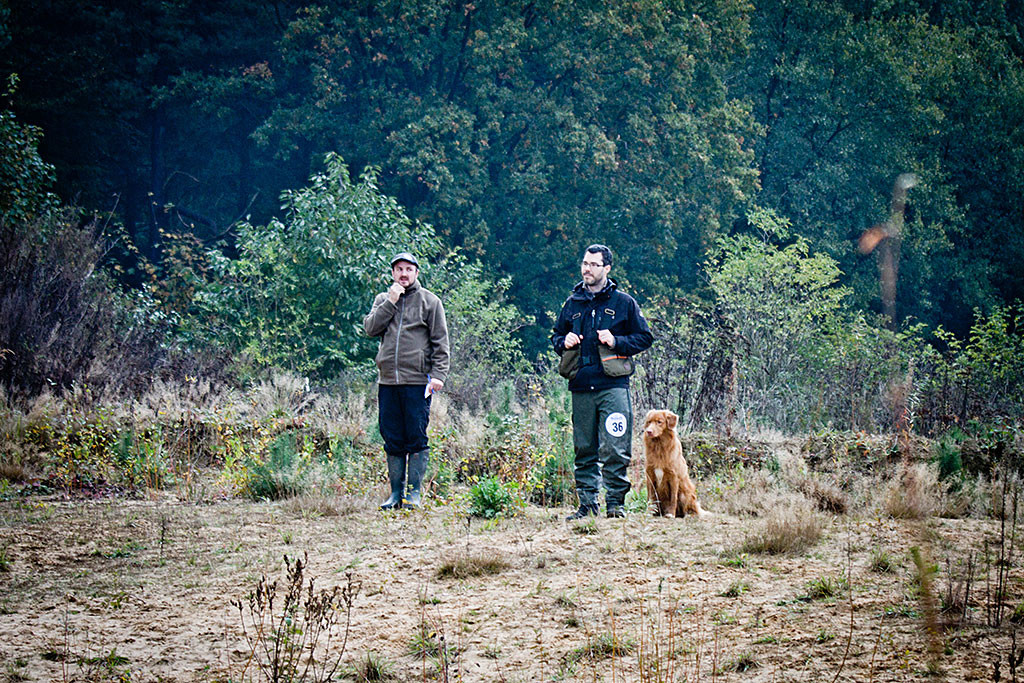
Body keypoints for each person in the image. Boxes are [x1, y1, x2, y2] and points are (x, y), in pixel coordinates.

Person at [552, 244, 653, 520]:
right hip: (581, 385)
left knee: (615, 447)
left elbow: (645, 337)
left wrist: (616, 341)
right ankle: (587, 505)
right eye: (585, 263)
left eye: (594, 264)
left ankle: (615, 504)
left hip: (613, 387)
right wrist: (564, 341)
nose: (587, 269)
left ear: (607, 268)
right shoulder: (572, 303)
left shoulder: (624, 303)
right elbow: (556, 337)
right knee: (584, 447)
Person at [363, 252, 449, 510]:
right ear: (392, 273)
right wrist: (390, 301)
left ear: (416, 273)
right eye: (399, 269)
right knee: (392, 436)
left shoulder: (430, 302)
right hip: (388, 381)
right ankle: (394, 495)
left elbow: (441, 343)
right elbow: (370, 329)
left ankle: (413, 494)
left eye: (408, 269)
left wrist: (438, 376)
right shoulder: (383, 299)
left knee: (416, 436)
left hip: (417, 381)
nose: (403, 274)